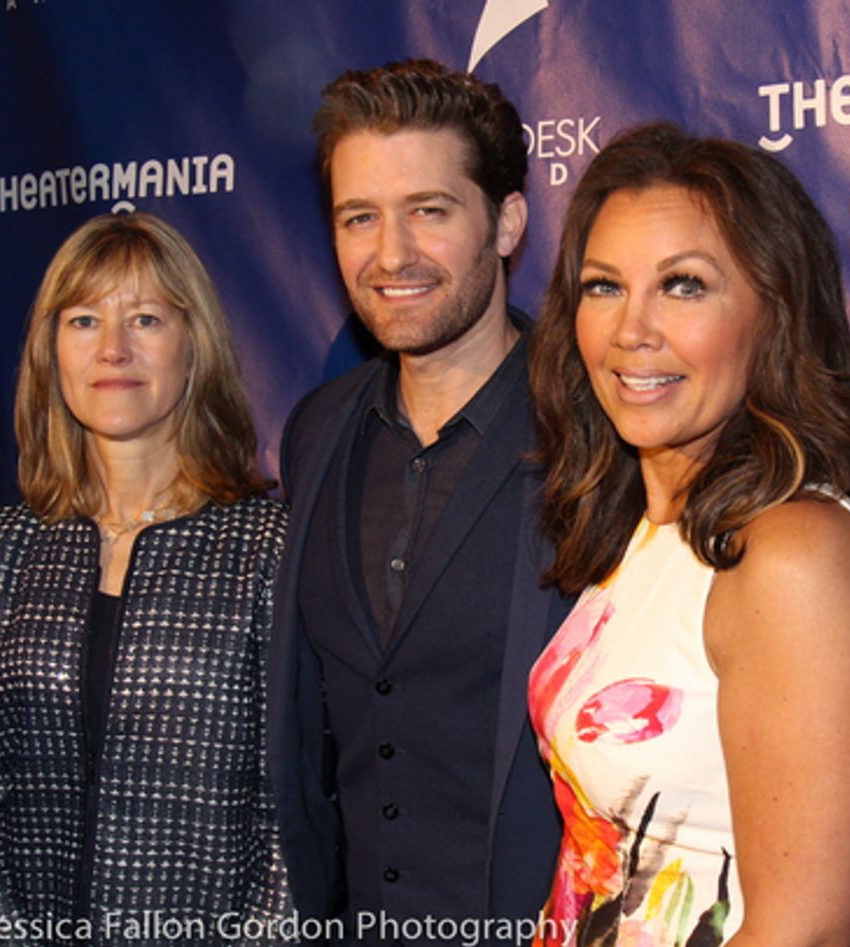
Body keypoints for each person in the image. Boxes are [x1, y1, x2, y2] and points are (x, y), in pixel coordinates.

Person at [528, 123, 850, 947]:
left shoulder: (791, 554)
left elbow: (802, 932)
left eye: (683, 286)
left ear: (776, 314)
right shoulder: (644, 529)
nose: (631, 330)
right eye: (603, 286)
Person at [266, 59, 571, 941]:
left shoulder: (596, 430)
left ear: (507, 222)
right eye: (359, 217)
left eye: (429, 211)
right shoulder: (318, 430)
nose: (391, 254)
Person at [0, 212, 291, 943]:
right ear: (51, 351)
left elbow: (289, 813)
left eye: (145, 319)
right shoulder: (2, 549)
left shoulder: (269, 546)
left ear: (195, 346)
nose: (112, 348)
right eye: (83, 320)